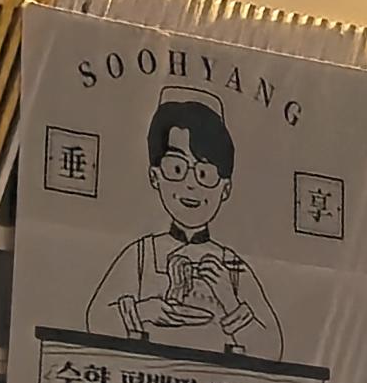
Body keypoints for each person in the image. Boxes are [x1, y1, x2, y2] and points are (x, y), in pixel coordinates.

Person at [85, 91, 284, 358]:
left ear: (225, 188)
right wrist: (144, 311)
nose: (190, 184)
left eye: (205, 173)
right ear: (155, 176)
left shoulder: (232, 267)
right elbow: (96, 319)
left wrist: (230, 300)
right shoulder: (143, 255)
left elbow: (272, 347)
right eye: (177, 169)